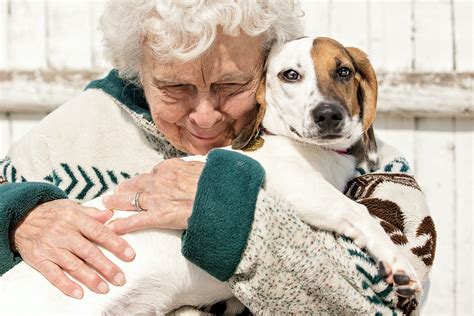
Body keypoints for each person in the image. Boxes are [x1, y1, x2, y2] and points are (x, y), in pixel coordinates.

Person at [0, 1, 434, 314]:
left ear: (269, 70)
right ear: (139, 73)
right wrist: (15, 217)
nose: (205, 116)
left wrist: (235, 218)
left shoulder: (368, 169)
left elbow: (389, 304)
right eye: (174, 87)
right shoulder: (76, 129)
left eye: (230, 86)